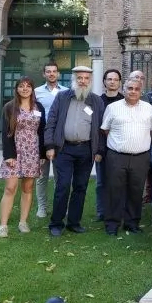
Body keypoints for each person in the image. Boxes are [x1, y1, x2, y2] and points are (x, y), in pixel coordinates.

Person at [45, 66, 105, 236]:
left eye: (86, 78)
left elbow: (101, 129)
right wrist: (49, 146)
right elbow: (51, 121)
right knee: (62, 186)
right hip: (64, 149)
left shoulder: (96, 101)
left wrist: (99, 150)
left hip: (86, 150)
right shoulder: (62, 97)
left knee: (80, 187)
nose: (83, 81)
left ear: (90, 81)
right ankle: (56, 223)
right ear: (74, 79)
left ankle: (74, 222)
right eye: (79, 78)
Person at [101, 77, 152, 236]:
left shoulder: (148, 108)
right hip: (117, 156)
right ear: (124, 89)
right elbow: (105, 129)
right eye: (130, 88)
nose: (133, 91)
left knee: (136, 191)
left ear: (141, 91)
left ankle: (132, 223)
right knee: (114, 191)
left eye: (136, 89)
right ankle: (112, 224)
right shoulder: (112, 108)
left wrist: (139, 143)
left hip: (141, 157)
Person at [0, 77, 46, 237]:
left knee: (28, 187)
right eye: (21, 86)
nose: (25, 89)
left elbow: (41, 132)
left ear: (32, 89)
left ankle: (23, 222)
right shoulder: (10, 107)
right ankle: (3, 226)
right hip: (15, 151)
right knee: (10, 187)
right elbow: (5, 133)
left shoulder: (39, 108)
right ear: (16, 89)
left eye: (28, 86)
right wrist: (9, 155)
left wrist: (42, 153)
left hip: (32, 152)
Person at [34, 61, 68, 218]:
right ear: (44, 74)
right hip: (41, 137)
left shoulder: (67, 92)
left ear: (58, 74)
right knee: (42, 176)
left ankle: (59, 206)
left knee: (60, 175)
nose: (52, 74)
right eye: (48, 71)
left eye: (54, 71)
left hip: (60, 138)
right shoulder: (36, 92)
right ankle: (41, 207)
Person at [97, 69, 124, 221]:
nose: (112, 82)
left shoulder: (124, 101)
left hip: (119, 147)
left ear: (119, 82)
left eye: (115, 79)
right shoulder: (98, 101)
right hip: (103, 148)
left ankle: (119, 211)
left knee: (119, 182)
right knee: (102, 182)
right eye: (109, 79)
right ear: (104, 82)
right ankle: (102, 212)